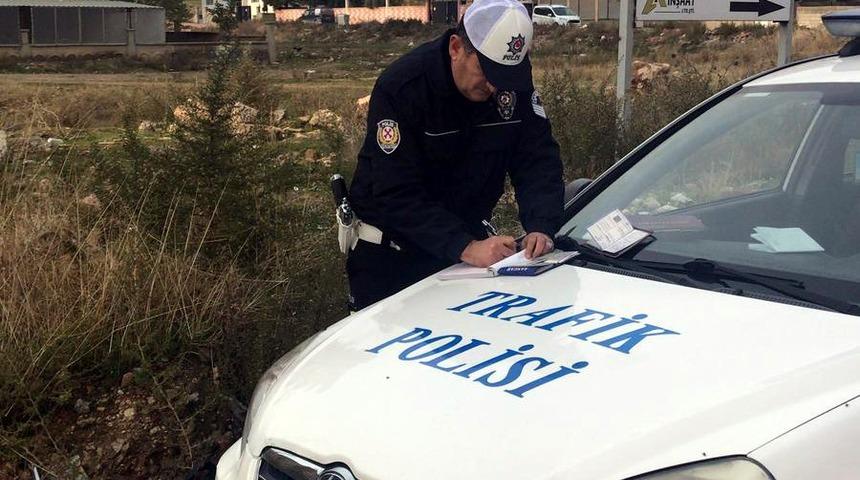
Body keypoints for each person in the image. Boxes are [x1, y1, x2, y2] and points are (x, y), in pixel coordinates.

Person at [345, 0, 564, 310]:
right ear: (456, 47)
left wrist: (541, 225)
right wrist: (464, 246)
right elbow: (395, 192)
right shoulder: (404, 88)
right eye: (486, 70)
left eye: (505, 75)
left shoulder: (512, 87)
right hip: (392, 259)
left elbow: (537, 160)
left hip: (463, 259)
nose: (493, 85)